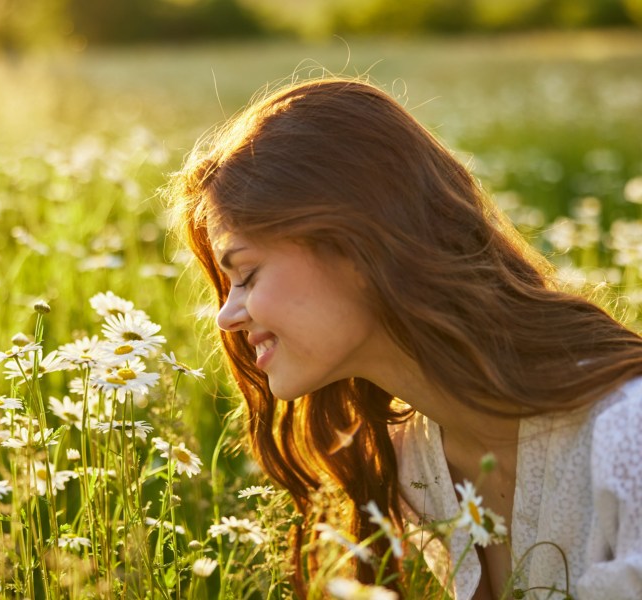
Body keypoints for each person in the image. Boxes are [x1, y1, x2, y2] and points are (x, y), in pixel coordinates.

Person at [166, 77, 642, 599]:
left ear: (357, 246)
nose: (226, 318)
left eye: (248, 274)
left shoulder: (626, 438)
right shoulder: (415, 466)